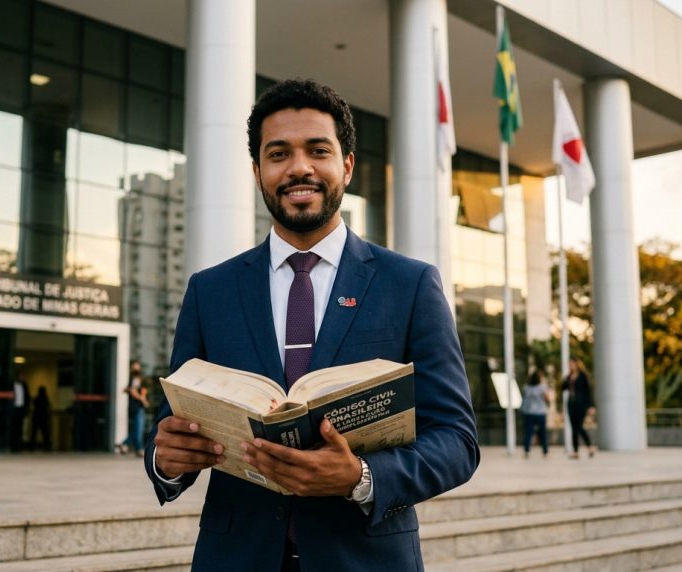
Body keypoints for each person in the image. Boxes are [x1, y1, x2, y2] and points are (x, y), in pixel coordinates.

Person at [143, 79, 480, 571]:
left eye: (317, 150)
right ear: (258, 172)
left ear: (346, 164)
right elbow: (170, 423)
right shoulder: (208, 291)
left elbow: (455, 439)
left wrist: (360, 476)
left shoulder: (409, 285)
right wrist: (165, 461)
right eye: (278, 154)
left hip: (366, 558)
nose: (299, 167)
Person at [563, 358, 596, 459]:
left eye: (572, 364)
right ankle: (576, 451)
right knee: (573, 428)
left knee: (579, 427)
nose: (570, 366)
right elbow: (563, 388)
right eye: (569, 364)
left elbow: (588, 391)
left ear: (577, 365)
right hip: (571, 404)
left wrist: (591, 405)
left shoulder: (582, 376)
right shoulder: (569, 377)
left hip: (581, 404)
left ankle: (590, 446)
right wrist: (566, 379)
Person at [121, 360, 149, 457]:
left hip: (134, 407)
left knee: (136, 429)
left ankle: (124, 444)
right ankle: (138, 449)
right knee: (138, 429)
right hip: (137, 407)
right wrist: (143, 400)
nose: (137, 368)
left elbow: (132, 390)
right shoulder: (136, 378)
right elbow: (134, 391)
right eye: (135, 366)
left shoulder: (134, 378)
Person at [520, 369, 550, 458]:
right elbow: (546, 398)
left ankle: (526, 450)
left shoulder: (526, 387)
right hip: (540, 412)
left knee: (528, 432)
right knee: (542, 432)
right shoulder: (542, 387)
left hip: (528, 412)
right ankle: (545, 451)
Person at [10, 373, 30, 452]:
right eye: (21, 376)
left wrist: (26, 408)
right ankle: (12, 446)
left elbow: (27, 397)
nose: (23, 378)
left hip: (21, 409)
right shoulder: (12, 385)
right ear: (17, 377)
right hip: (13, 409)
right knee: (12, 428)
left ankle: (19, 446)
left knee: (20, 428)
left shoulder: (25, 386)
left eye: (23, 376)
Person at [30, 386, 52, 452]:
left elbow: (34, 406)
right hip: (43, 418)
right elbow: (48, 406)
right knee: (45, 433)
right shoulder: (46, 398)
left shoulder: (36, 398)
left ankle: (31, 446)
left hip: (36, 417)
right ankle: (47, 446)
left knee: (34, 433)